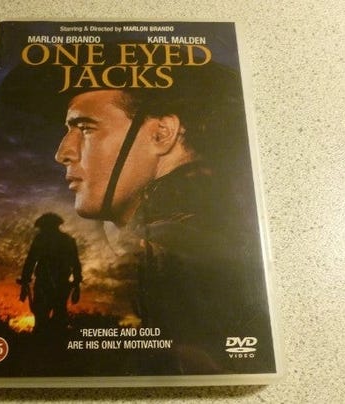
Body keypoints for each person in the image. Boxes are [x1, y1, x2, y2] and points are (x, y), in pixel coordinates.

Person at [54, 65, 274, 373]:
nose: (63, 152)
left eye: (86, 128)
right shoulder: (194, 224)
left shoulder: (174, 246)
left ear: (161, 134)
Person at [18, 213, 82, 334]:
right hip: (57, 285)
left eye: (43, 227)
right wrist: (77, 285)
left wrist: (25, 281)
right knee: (56, 316)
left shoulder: (41, 240)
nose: (41, 230)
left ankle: (48, 340)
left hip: (47, 284)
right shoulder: (67, 240)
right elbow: (75, 264)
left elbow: (30, 261)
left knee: (46, 318)